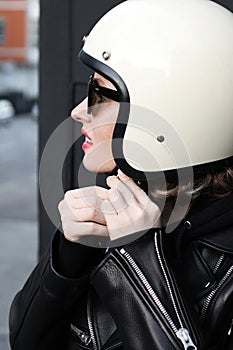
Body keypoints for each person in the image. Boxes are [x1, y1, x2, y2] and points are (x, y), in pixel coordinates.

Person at [9, 0, 233, 349]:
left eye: (100, 93)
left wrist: (140, 257)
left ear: (173, 108)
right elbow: (26, 341)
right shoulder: (119, 199)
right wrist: (69, 258)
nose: (79, 111)